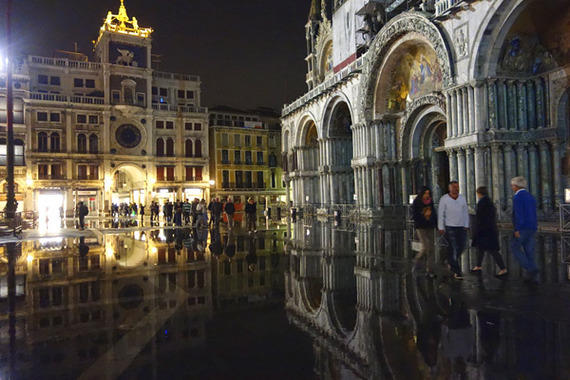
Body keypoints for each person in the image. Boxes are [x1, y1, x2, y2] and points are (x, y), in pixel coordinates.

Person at [470, 186, 507, 277]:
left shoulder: (482, 203)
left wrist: (475, 229)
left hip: (484, 230)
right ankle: (478, 266)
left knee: (492, 250)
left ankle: (503, 269)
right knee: (481, 248)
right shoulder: (489, 202)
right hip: (489, 229)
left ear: (479, 194)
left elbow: (479, 218)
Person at [438, 181, 469, 279]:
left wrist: (466, 224)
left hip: (461, 226)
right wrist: (441, 227)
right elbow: (440, 213)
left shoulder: (462, 198)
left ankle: (450, 260)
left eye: (457, 187)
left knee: (462, 246)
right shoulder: (444, 199)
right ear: (449, 188)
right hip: (450, 226)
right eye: (454, 187)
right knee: (454, 248)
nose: (456, 189)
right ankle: (457, 271)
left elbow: (465, 212)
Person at [510, 176, 538, 283]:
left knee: (515, 248)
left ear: (516, 186)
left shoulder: (518, 197)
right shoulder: (530, 196)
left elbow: (519, 214)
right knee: (529, 250)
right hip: (532, 226)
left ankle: (531, 268)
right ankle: (531, 274)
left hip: (522, 227)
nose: (512, 187)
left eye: (512, 185)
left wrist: (517, 228)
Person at [412, 186, 437, 277]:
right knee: (426, 247)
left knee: (431, 249)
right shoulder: (417, 202)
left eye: (428, 193)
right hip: (421, 226)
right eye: (425, 193)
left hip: (430, 226)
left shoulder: (430, 202)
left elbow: (434, 213)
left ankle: (430, 269)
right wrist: (423, 214)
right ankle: (416, 261)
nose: (427, 195)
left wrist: (436, 224)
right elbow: (415, 215)